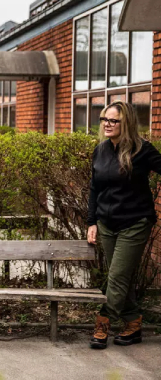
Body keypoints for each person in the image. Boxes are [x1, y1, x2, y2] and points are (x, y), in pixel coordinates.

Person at [87, 101, 161, 350]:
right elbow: (95, 189)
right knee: (121, 277)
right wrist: (92, 222)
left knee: (117, 276)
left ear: (125, 122)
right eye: (104, 119)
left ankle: (102, 325)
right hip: (107, 224)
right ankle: (133, 323)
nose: (107, 124)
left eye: (113, 120)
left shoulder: (143, 151)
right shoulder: (100, 150)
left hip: (135, 222)